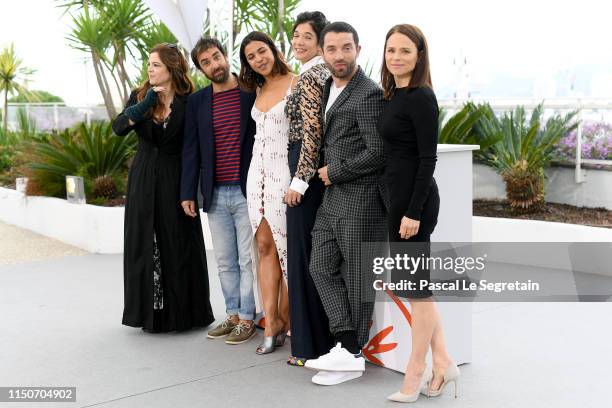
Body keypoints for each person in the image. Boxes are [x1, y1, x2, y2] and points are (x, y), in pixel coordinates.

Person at [378, 24, 460, 403]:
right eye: (391, 50)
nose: (396, 57)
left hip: (416, 204)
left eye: (405, 51)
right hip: (398, 200)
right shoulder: (395, 95)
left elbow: (428, 159)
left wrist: (412, 212)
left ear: (419, 56)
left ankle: (416, 372)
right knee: (416, 290)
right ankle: (444, 362)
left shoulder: (421, 98)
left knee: (417, 291)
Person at [303, 22, 388, 385]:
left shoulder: (368, 93)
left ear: (358, 49)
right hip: (332, 198)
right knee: (319, 266)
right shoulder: (326, 87)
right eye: (333, 49)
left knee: (357, 279)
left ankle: (352, 354)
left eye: (346, 48)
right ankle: (349, 346)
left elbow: (379, 151)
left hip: (361, 198)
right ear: (323, 52)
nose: (340, 55)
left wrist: (335, 171)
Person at [112, 43, 215, 333]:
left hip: (176, 178)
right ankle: (149, 314)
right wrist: (145, 105)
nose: (149, 69)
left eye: (155, 65)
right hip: (143, 178)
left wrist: (191, 191)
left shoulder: (188, 101)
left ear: (171, 68)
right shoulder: (139, 97)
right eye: (148, 64)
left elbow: (194, 148)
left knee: (178, 242)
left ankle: (185, 313)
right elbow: (119, 127)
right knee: (146, 243)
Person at [180, 37, 258, 345]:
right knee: (225, 260)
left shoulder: (251, 91)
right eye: (206, 62)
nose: (215, 65)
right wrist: (188, 192)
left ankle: (249, 318)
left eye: (216, 57)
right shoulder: (198, 102)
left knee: (246, 260)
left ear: (225, 55)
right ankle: (233, 314)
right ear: (201, 69)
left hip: (246, 191)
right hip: (214, 193)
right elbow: (191, 149)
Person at [239, 31, 297, 355]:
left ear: (273, 50)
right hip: (256, 175)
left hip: (284, 176)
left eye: (262, 51)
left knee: (286, 248)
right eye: (251, 56)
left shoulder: (296, 82)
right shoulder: (257, 88)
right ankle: (271, 321)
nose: (259, 59)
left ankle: (287, 317)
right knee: (263, 246)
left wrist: (299, 180)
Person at [284, 11, 334, 367]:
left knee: (303, 257)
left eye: (306, 36)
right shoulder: (317, 72)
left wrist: (299, 181)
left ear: (319, 41)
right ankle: (316, 343)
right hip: (308, 168)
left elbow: (312, 132)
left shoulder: (312, 76)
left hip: (304, 169)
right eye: (295, 35)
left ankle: (310, 347)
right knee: (311, 256)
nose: (298, 42)